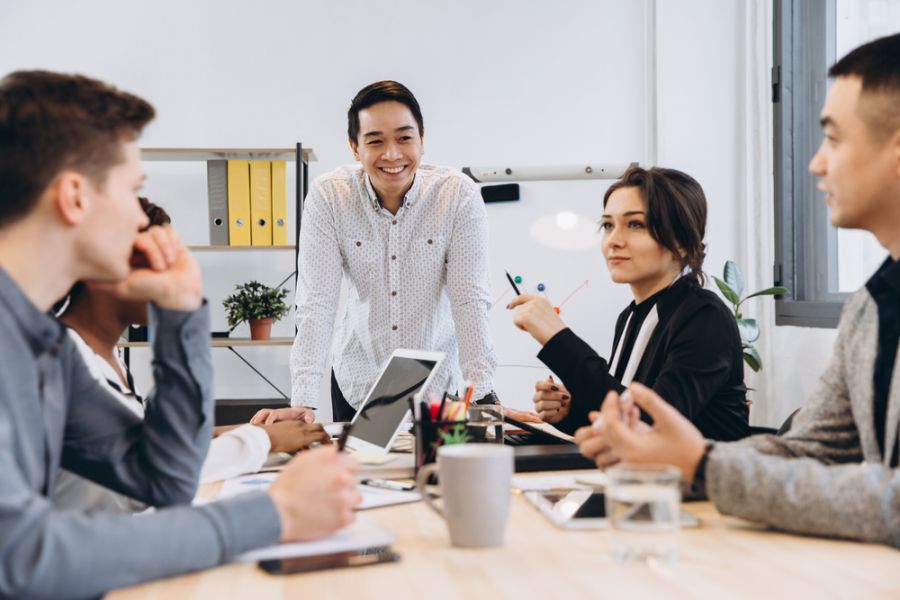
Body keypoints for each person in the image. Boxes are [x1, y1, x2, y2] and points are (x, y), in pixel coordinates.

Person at [0, 70, 361, 599]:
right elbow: (23, 559)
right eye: (132, 190)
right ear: (75, 197)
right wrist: (272, 514)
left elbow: (164, 477)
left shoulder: (43, 346)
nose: (142, 217)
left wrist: (179, 312)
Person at [581, 33, 900, 547]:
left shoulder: (701, 313)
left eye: (835, 139)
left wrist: (697, 461)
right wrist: (683, 459)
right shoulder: (871, 308)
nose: (816, 163)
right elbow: (804, 451)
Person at [53, 197, 329, 513]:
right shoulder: (70, 361)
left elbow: (159, 444)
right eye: (162, 259)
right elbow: (155, 475)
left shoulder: (109, 358)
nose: (175, 274)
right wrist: (267, 441)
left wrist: (265, 432)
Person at [254, 80, 497, 424]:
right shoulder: (329, 197)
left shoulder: (457, 195)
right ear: (355, 148)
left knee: (436, 476)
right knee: (362, 476)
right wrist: (304, 400)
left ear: (422, 141)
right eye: (376, 141)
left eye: (404, 138)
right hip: (360, 379)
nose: (392, 154)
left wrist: (482, 393)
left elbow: (469, 299)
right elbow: (316, 303)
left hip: (436, 385)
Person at [508, 166, 750, 440]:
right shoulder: (632, 316)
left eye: (635, 225)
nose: (613, 240)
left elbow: (650, 425)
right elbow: (621, 411)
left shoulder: (705, 318)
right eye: (608, 225)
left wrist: (558, 338)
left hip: (697, 482)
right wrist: (570, 412)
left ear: (681, 241)